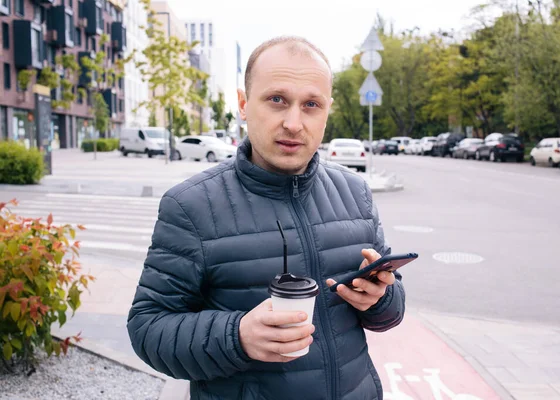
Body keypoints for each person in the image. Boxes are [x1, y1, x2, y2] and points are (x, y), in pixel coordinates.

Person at [127, 36, 406, 400]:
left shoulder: (355, 193)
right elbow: (148, 328)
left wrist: (381, 298)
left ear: (327, 111)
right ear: (243, 104)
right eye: (277, 100)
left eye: (311, 104)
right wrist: (237, 336)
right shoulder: (190, 206)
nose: (293, 123)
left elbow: (392, 309)